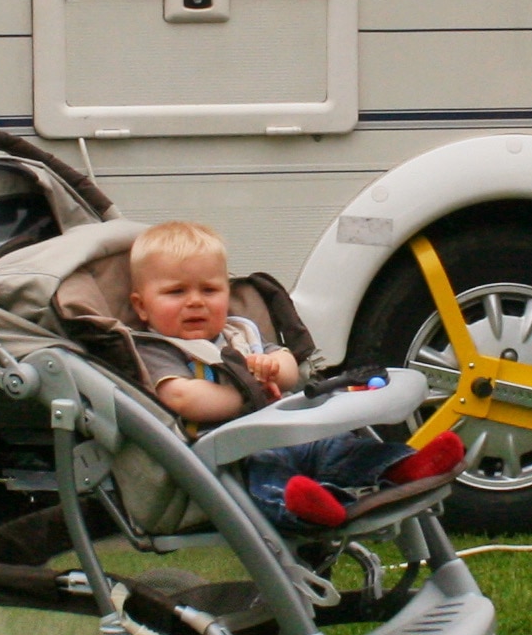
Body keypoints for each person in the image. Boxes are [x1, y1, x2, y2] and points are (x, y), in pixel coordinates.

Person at [122, 219, 457, 526]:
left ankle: (403, 466)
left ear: (227, 291)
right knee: (267, 482)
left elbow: (288, 367)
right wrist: (247, 393)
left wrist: (273, 367)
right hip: (233, 455)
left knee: (337, 446)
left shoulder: (241, 333)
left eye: (209, 290)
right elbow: (182, 396)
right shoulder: (156, 349)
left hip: (287, 433)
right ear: (141, 306)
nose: (195, 302)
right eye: (176, 292)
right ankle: (312, 507)